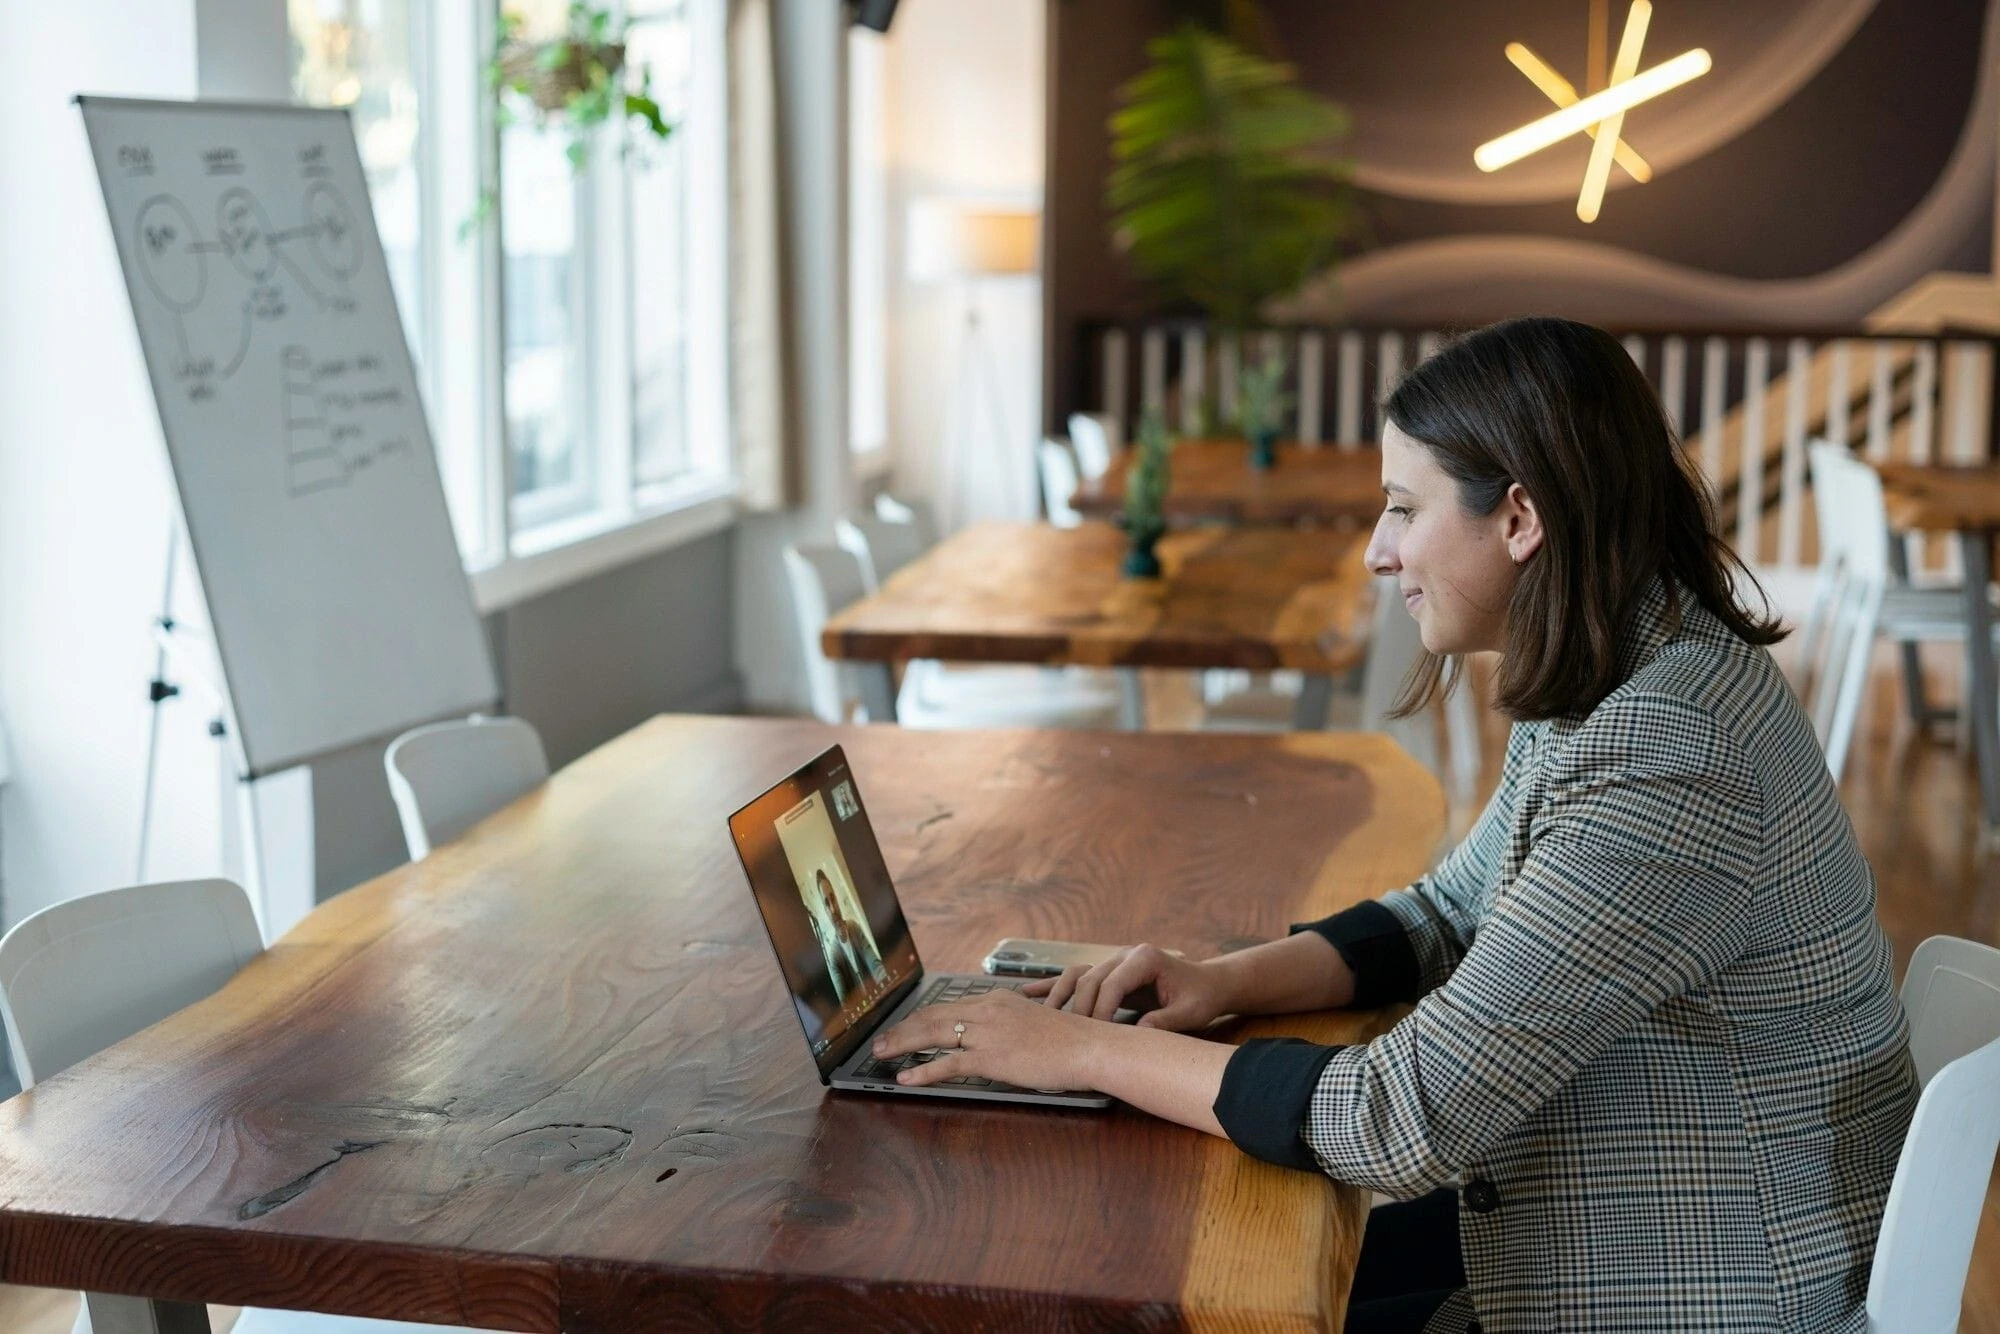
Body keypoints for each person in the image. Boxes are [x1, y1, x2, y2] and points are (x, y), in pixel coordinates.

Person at [872, 317, 1919, 1333]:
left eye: (1401, 508)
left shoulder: (1671, 746)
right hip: (1621, 1232)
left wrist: (1078, 1052)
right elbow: (1448, 912)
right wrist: (1221, 979)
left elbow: (1399, 1118)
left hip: (1703, 1291)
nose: (1377, 551)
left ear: (1517, 518)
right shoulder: (1629, 669)